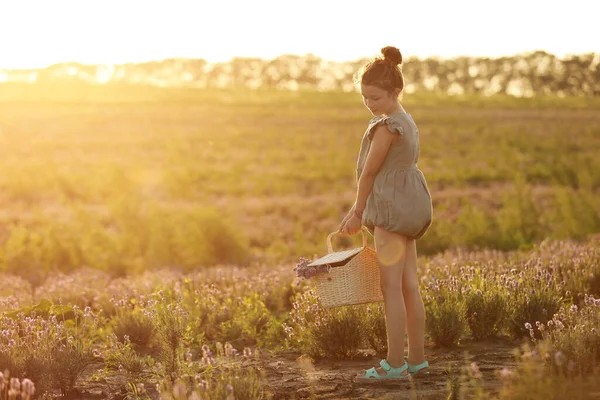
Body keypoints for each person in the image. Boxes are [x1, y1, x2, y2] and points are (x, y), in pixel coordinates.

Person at [338, 46, 433, 381]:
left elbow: (368, 172)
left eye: (375, 98)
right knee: (409, 285)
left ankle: (394, 364)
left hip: (391, 210)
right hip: (410, 206)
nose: (370, 105)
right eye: (365, 98)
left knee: (390, 288)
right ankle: (417, 360)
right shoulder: (407, 121)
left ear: (395, 92)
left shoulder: (387, 127)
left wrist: (357, 211)